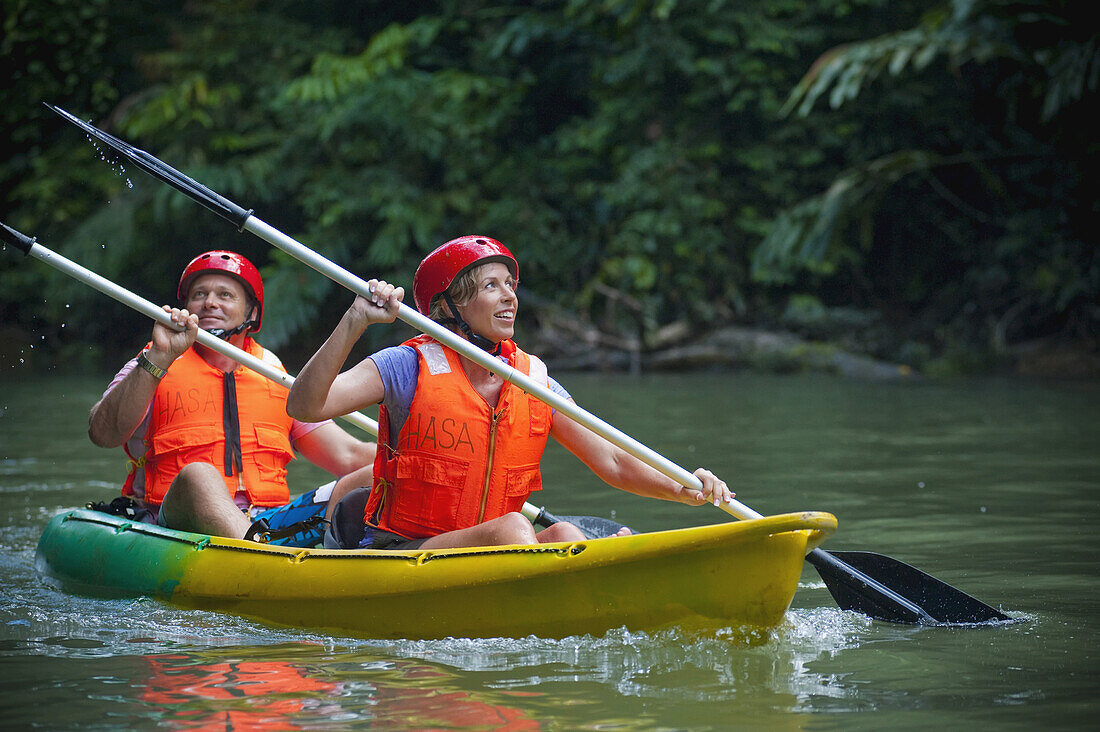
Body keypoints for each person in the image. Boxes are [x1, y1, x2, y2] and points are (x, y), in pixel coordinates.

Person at [287, 235, 733, 551]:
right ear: (448, 308)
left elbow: (613, 460)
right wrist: (355, 320)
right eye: (489, 286)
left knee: (564, 536)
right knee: (512, 529)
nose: (509, 297)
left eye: (510, 285)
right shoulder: (406, 366)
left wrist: (684, 487)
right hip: (405, 550)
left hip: (494, 548)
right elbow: (305, 406)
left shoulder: (532, 379)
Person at [87, 250, 376, 543]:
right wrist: (159, 358)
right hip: (175, 522)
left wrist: (406, 457)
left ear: (252, 313)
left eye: (225, 295)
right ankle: (262, 559)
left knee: (375, 474)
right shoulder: (154, 360)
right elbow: (102, 433)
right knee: (198, 475)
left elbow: (349, 455)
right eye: (199, 294)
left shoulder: (274, 374)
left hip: (269, 524)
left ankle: (276, 553)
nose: (210, 302)